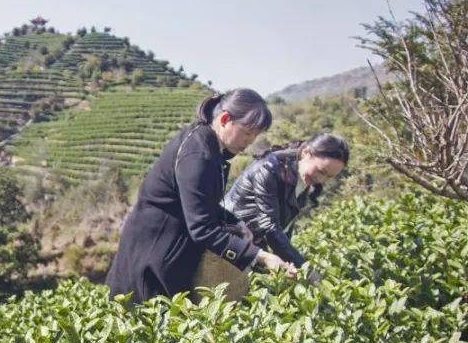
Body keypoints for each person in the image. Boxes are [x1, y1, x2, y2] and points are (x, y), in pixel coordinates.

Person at [106, 89, 297, 302]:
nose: (250, 141)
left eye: (255, 135)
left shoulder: (206, 143)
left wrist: (238, 223)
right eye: (247, 132)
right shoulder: (198, 155)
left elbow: (204, 203)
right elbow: (202, 228)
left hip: (168, 249)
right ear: (225, 119)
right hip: (153, 255)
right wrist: (262, 257)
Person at [223, 133, 349, 269]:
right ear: (307, 153)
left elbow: (284, 227)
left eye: (329, 177)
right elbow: (269, 227)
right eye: (321, 171)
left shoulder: (303, 176)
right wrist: (303, 266)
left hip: (253, 246)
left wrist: (289, 264)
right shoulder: (269, 168)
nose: (321, 179)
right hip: (229, 241)